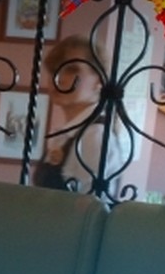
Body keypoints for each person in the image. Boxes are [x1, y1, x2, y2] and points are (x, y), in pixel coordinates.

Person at [33, 35, 131, 197]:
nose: (58, 78)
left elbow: (94, 208)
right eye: (54, 70)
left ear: (99, 80)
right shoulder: (71, 134)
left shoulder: (94, 137)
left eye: (71, 70)